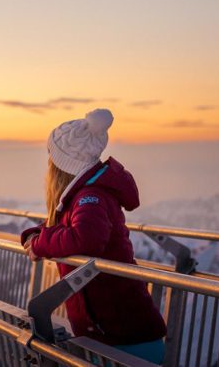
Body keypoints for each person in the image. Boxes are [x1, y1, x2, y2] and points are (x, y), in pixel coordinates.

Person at [20, 108, 167, 364]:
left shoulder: (92, 197)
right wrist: (36, 234)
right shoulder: (82, 195)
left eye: (50, 157)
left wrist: (42, 243)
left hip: (125, 337)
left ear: (62, 165)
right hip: (110, 333)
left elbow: (86, 238)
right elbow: (67, 225)